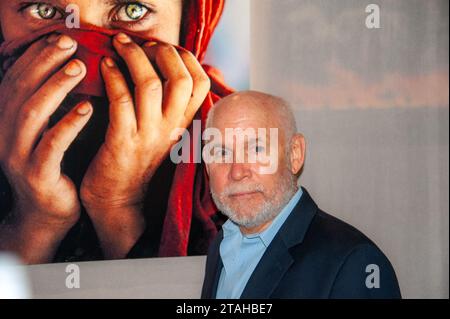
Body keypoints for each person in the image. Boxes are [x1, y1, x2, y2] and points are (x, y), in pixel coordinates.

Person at [0, 0, 232, 264]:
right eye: (45, 11)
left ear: (191, 20)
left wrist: (118, 207)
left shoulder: (241, 160)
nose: (85, 52)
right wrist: (34, 220)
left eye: (132, 10)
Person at [201, 91, 401, 298]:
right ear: (207, 166)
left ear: (295, 154)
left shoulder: (355, 263)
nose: (237, 172)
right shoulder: (222, 245)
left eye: (256, 149)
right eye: (222, 153)